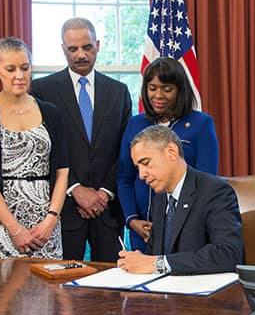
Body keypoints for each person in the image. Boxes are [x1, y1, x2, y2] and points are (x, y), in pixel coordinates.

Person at [30, 17, 133, 262]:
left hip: (108, 209)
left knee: (111, 286)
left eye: (87, 47)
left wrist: (104, 193)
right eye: (73, 49)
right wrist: (75, 189)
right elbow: (44, 150)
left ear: (97, 45)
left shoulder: (118, 92)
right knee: (64, 289)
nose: (81, 55)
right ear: (63, 49)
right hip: (65, 209)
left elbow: (126, 148)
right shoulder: (42, 90)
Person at [0, 37, 70, 260]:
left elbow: (62, 170)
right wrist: (15, 229)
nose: (19, 76)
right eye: (10, 69)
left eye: (25, 68)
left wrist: (51, 219)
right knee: (3, 292)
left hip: (45, 227)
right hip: (1, 224)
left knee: (48, 293)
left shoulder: (52, 112)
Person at [117, 57, 218, 252]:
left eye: (167, 89)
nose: (158, 95)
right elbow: (124, 178)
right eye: (152, 88)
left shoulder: (201, 124)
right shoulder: (135, 124)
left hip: (186, 230)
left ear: (180, 90)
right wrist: (132, 220)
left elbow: (207, 183)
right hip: (142, 230)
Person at [116, 126, 242, 275]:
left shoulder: (214, 191)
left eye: (146, 163)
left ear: (171, 152)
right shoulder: (160, 200)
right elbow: (152, 257)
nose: (141, 175)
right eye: (138, 168)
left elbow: (228, 254)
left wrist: (159, 264)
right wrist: (137, 262)